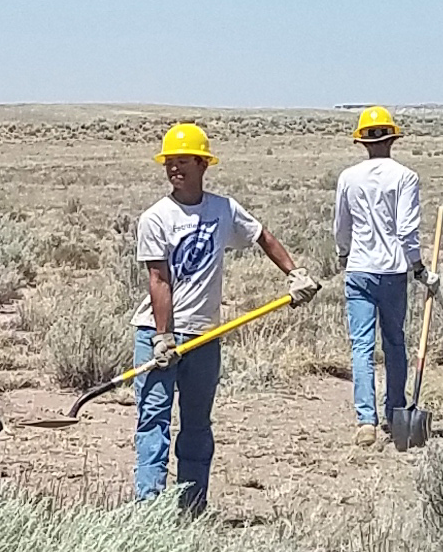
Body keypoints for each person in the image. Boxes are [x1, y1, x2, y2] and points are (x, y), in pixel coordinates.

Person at [133, 122, 321, 514]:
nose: (175, 169)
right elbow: (158, 277)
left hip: (205, 334)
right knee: (154, 421)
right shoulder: (155, 218)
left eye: (183, 161)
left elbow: (262, 236)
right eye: (170, 162)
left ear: (204, 164)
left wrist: (294, 273)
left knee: (197, 425)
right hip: (159, 334)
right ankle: (148, 511)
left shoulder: (223, 209)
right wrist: (163, 336)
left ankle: (191, 507)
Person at [333, 106, 433, 447]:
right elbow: (407, 229)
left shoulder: (349, 177)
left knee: (361, 347)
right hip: (393, 271)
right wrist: (418, 267)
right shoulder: (405, 177)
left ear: (362, 141)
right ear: (393, 138)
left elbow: (341, 226)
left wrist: (344, 253)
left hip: (359, 270)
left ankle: (366, 422)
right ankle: (394, 412)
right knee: (394, 343)